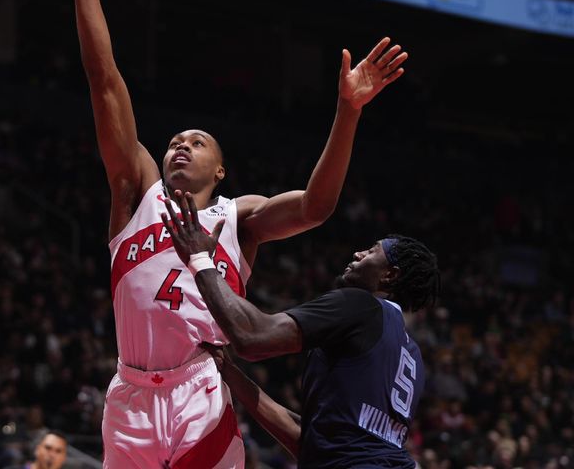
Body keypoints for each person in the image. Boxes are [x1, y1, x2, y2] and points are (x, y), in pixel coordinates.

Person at [32, 0, 408, 468]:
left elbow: (316, 206)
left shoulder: (239, 218)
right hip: (130, 396)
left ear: (222, 170)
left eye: (198, 140)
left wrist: (348, 111)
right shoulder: (136, 192)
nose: (181, 144)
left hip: (201, 388)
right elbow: (103, 80)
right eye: (175, 140)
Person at [161, 190, 440, 468]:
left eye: (371, 251)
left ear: (390, 275)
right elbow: (308, 441)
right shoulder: (413, 354)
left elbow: (253, 337)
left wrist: (200, 260)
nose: (358, 252)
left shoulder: (361, 306)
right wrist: (230, 373)